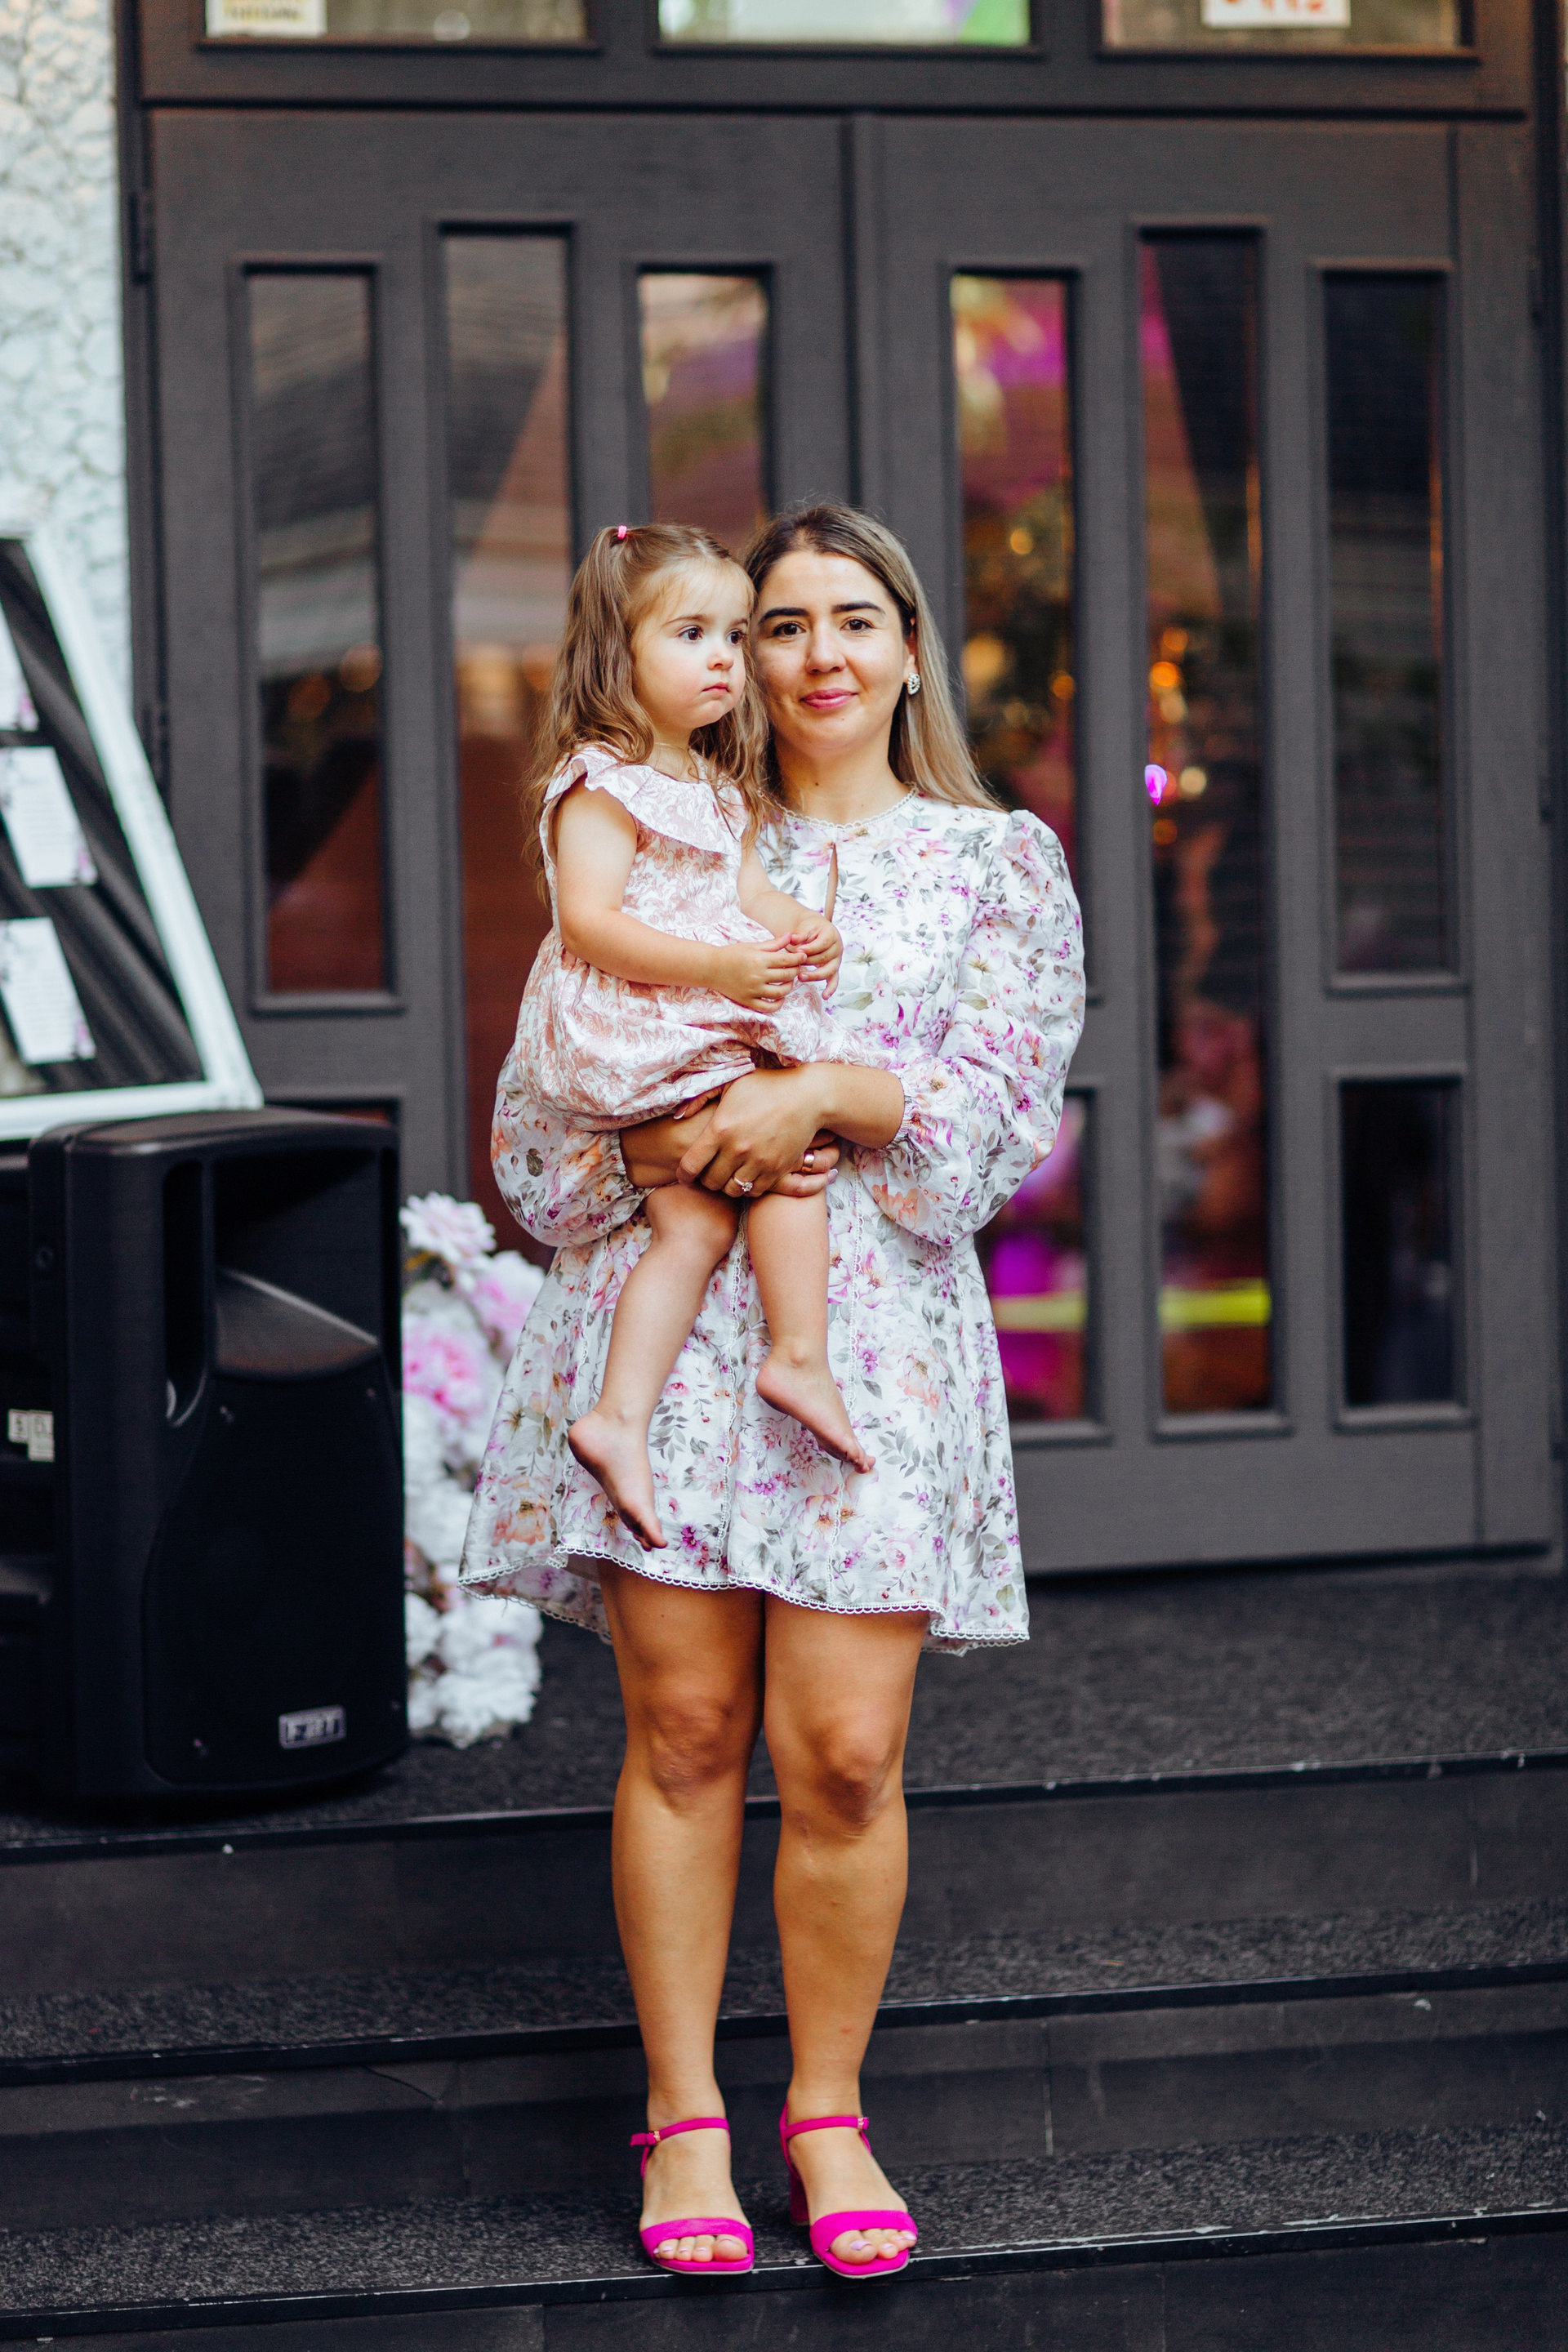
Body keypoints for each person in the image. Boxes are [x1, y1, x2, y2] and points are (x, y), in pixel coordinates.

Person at [461, 504, 1085, 2283]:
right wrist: (670, 1142)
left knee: (848, 1753)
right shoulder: (663, 825)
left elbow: (995, 1135)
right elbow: (536, 1140)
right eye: (774, 623)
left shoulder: (994, 862)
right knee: (683, 1734)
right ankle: (684, 2117)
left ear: (909, 648)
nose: (811, 656)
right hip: (671, 1350)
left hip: (866, 1345)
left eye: (850, 619)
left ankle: (826, 2110)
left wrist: (821, 1096)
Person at [514, 521, 875, 1552]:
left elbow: (744, 889)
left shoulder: (714, 786)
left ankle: (623, 1417)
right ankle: (791, 1360)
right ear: (616, 653)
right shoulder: (602, 780)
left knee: (706, 1220)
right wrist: (720, 968)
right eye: (691, 635)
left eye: (734, 635)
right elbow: (589, 922)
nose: (723, 658)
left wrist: (795, 926)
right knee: (781, 1165)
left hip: (691, 1015)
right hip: (638, 1023)